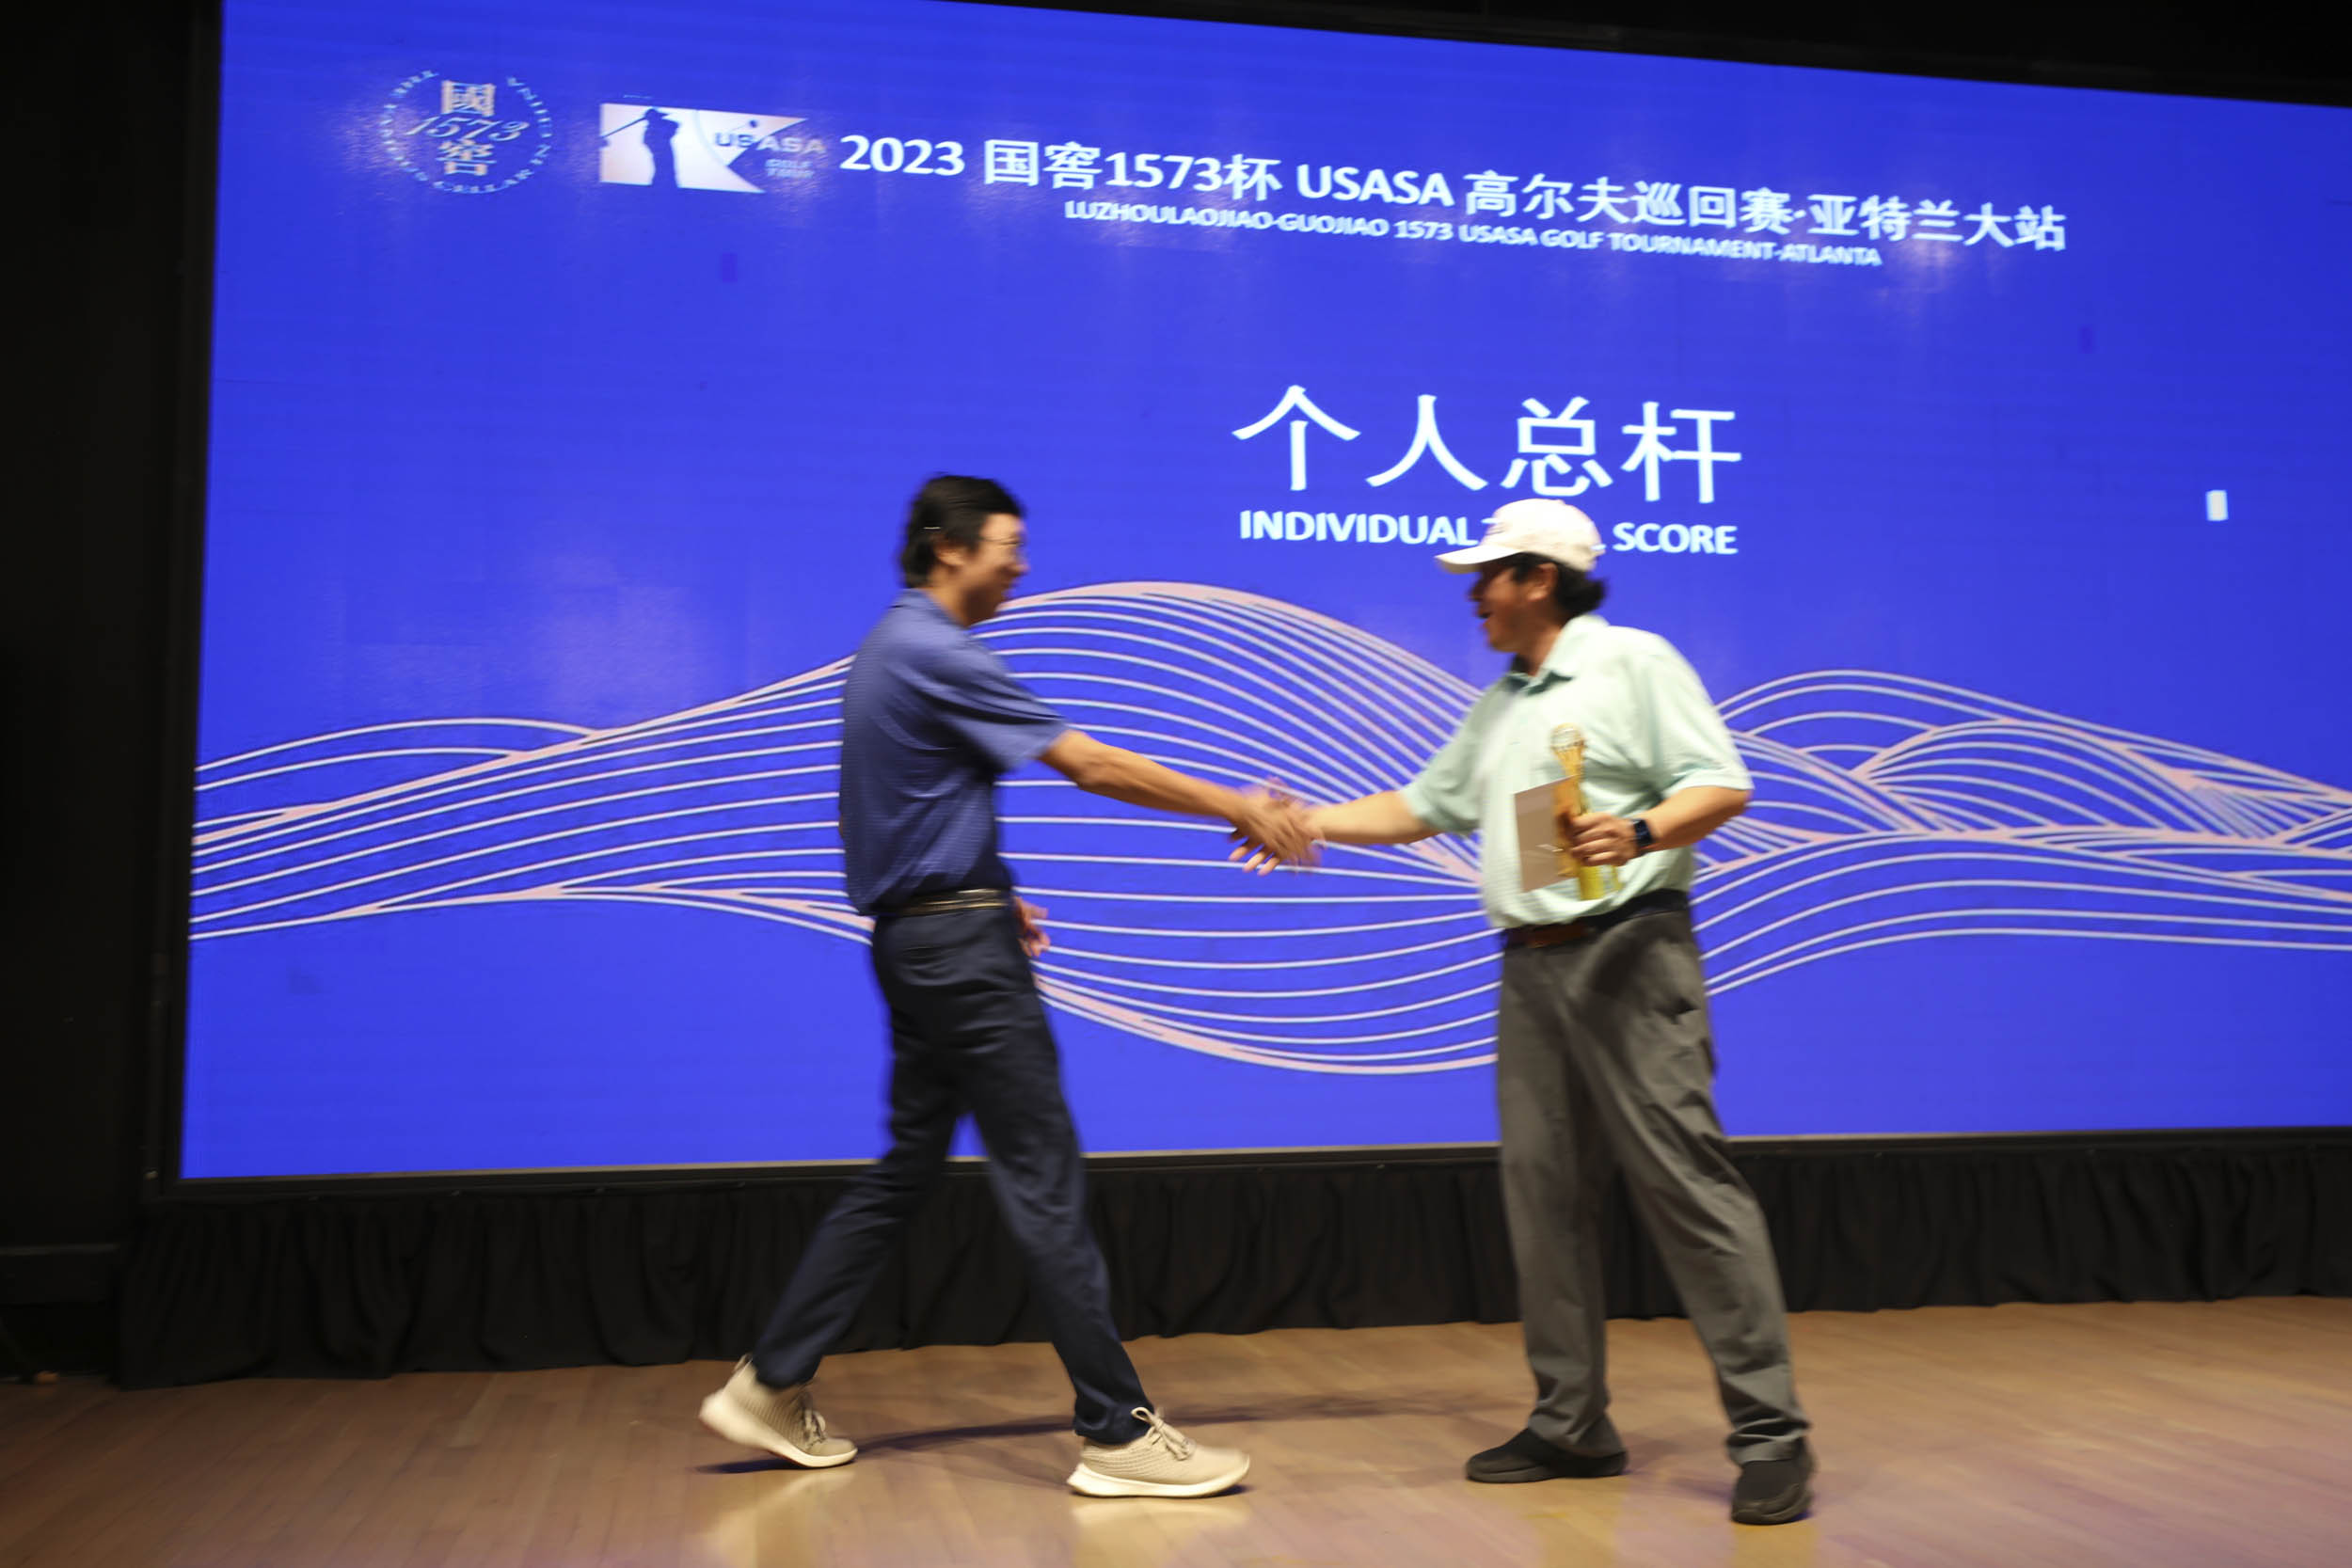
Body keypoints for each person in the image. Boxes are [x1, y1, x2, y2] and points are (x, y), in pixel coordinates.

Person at [699, 474, 1313, 1498]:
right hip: (960, 958)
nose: (1020, 567)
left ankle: (770, 1381)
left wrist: (981, 891)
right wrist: (1238, 805)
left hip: (924, 939)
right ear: (949, 547)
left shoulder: (890, 647)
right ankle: (1115, 1431)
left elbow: (898, 814)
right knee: (1042, 1177)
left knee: (906, 1170)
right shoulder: (937, 649)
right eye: (1007, 547)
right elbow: (1091, 764)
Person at [1284, 496, 1815, 1526]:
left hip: (1630, 952)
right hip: (1530, 967)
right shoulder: (1505, 701)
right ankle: (1572, 1424)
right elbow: (1420, 806)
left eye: (1487, 575)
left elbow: (1720, 782)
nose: (1472, 595)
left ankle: (1770, 1434)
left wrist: (1641, 828)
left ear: (1537, 578)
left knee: (1688, 1188)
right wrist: (1301, 820)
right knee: (1544, 1199)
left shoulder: (1633, 662)